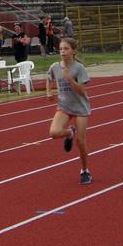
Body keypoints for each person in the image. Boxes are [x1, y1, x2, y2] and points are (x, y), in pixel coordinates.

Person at [46, 38, 92, 185]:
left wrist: (70, 80)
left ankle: (85, 171)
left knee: (81, 142)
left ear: (73, 51)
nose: (62, 52)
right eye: (61, 49)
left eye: (66, 49)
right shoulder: (55, 66)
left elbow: (82, 90)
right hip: (64, 106)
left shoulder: (79, 68)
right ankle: (69, 133)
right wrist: (49, 92)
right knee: (53, 133)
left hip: (80, 108)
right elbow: (49, 78)